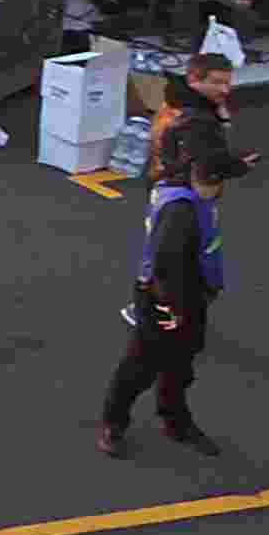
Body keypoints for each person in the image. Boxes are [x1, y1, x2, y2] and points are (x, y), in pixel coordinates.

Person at [99, 138, 228, 457]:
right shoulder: (180, 212)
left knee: (181, 363)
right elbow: (165, 266)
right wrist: (173, 308)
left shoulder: (178, 183)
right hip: (168, 300)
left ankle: (175, 420)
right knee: (141, 364)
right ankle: (113, 424)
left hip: (189, 295)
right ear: (202, 178)